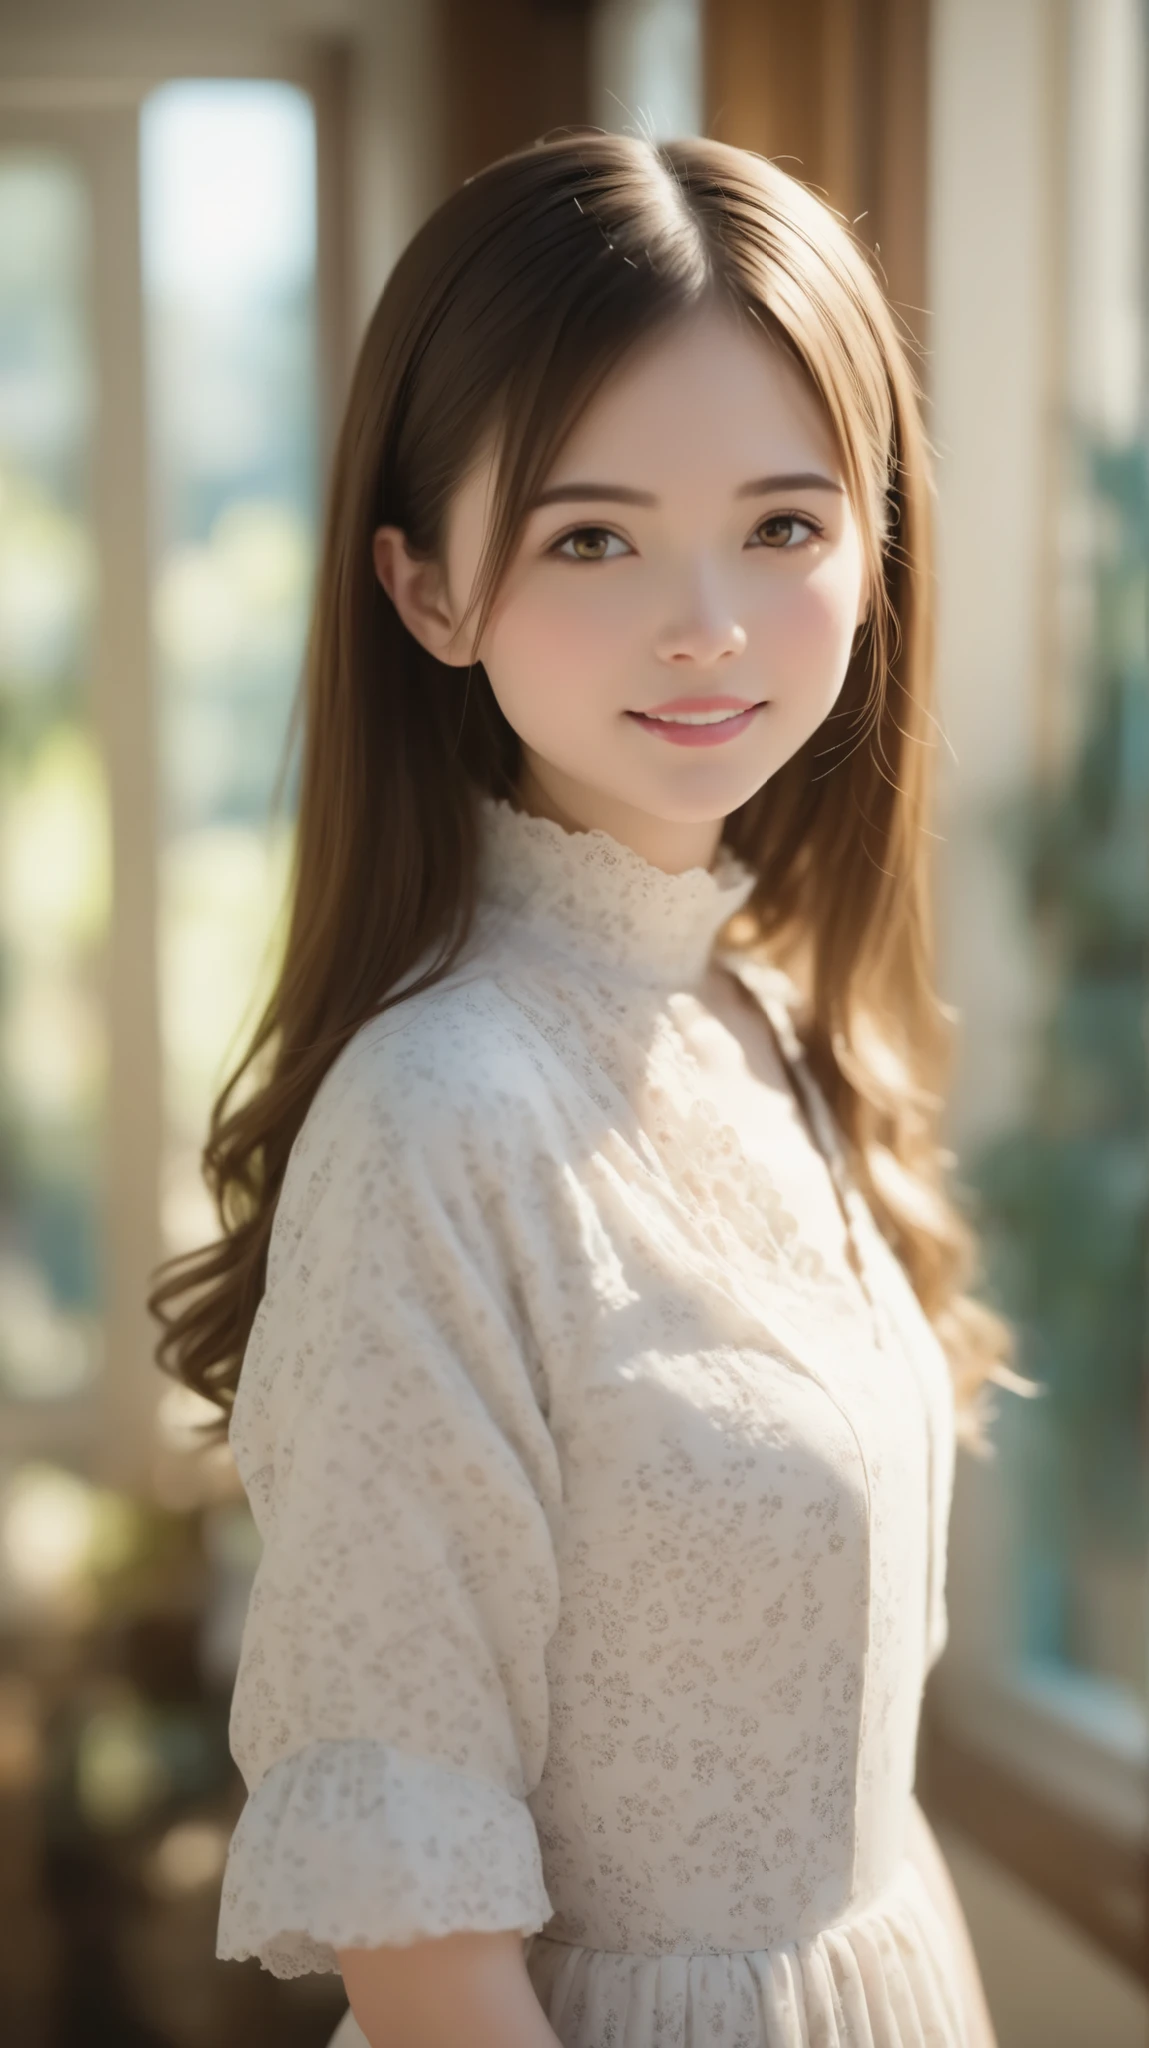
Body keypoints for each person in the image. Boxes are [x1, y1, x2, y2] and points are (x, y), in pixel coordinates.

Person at [149, 129, 1020, 2048]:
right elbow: (426, 1936)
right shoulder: (437, 1115)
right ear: (429, 585)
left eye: (785, 525)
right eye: (592, 535)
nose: (704, 617)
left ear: (876, 547)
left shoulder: (776, 1024)